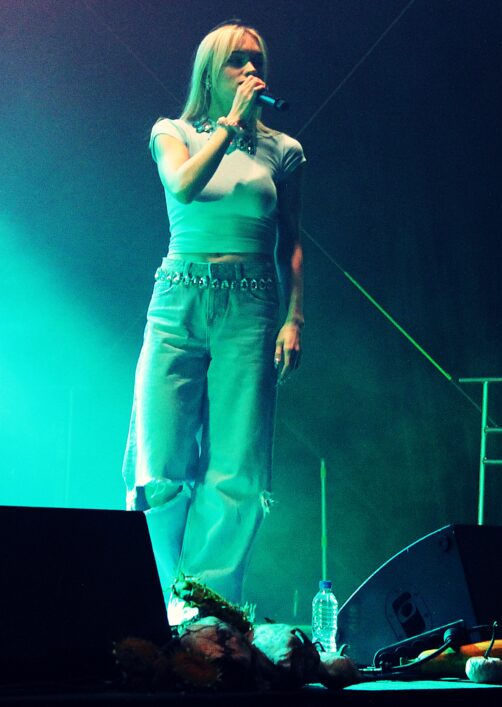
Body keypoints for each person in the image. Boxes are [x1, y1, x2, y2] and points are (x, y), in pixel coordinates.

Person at [122, 20, 305, 610]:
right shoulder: (171, 133)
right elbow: (183, 185)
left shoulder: (283, 149)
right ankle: (162, 600)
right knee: (160, 460)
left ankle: (206, 608)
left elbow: (292, 240)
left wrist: (295, 317)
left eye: (258, 61)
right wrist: (228, 126)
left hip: (251, 303)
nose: (251, 70)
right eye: (237, 61)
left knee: (236, 466)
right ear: (209, 72)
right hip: (179, 297)